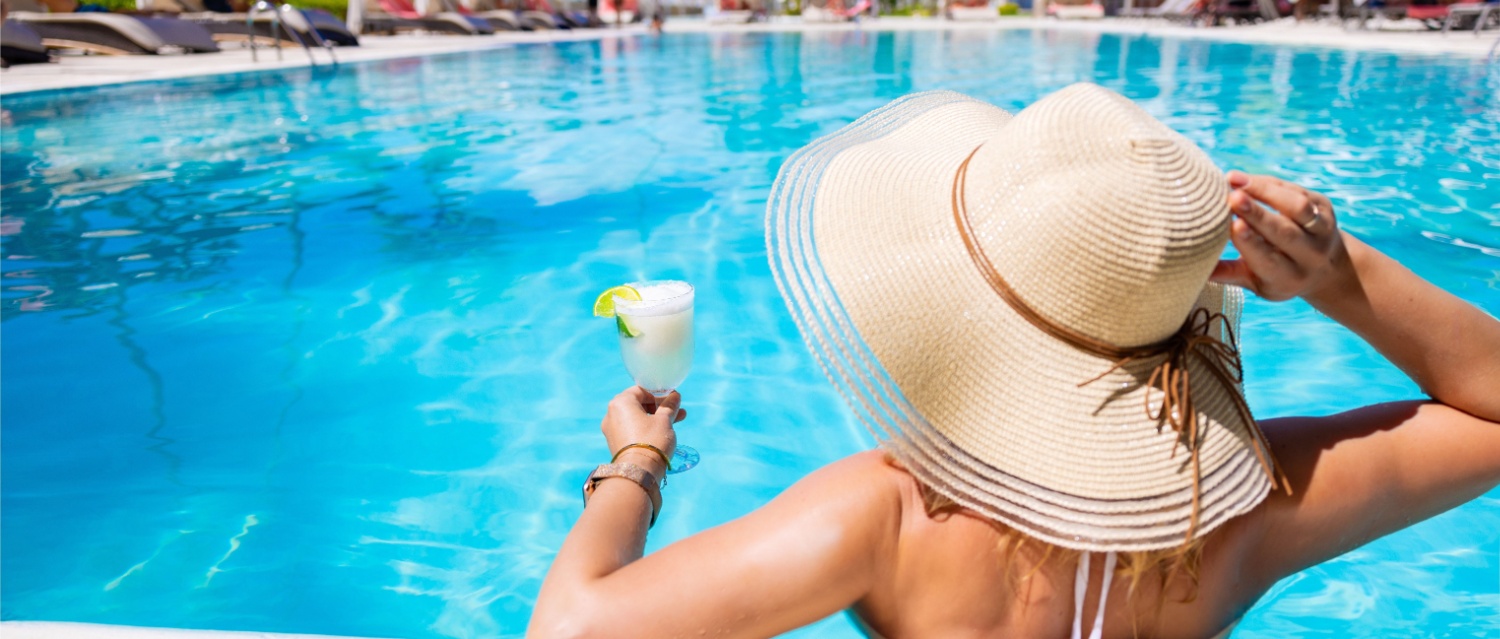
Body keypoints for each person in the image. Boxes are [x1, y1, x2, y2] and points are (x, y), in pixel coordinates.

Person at [528, 84, 1500, 639]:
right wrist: (1340, 275)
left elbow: (571, 630)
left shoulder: (887, 519)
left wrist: (635, 465)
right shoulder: (1251, 510)